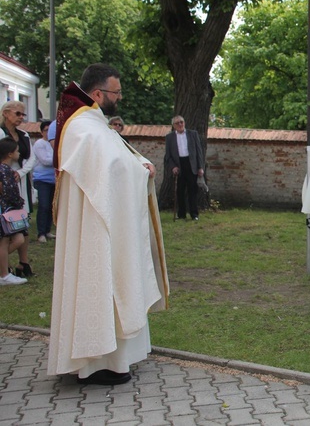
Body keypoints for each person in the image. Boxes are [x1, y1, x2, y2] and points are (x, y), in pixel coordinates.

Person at [47, 63, 169, 385]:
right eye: (116, 92)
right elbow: (111, 168)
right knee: (101, 280)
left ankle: (114, 359)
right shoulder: (83, 127)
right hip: (94, 226)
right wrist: (141, 171)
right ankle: (98, 363)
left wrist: (138, 163)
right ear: (99, 94)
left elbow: (117, 156)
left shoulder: (93, 123)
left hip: (101, 221)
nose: (120, 97)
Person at [0, 101, 35, 276]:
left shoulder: (24, 135)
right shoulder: (0, 133)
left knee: (22, 222)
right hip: (2, 183)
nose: (21, 118)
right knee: (5, 229)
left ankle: (24, 263)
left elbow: (31, 158)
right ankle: (3, 266)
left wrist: (20, 173)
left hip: (20, 183)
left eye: (23, 115)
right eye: (17, 114)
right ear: (6, 113)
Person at [164, 115, 205, 221]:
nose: (180, 124)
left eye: (181, 122)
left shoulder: (193, 134)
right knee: (180, 191)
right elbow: (168, 156)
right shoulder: (169, 137)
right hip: (179, 165)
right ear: (174, 125)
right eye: (177, 123)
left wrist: (200, 167)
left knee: (193, 190)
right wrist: (173, 167)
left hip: (191, 164)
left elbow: (199, 152)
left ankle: (194, 214)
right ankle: (181, 214)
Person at [0, 137, 28, 286]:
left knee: (18, 239)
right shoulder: (4, 170)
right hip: (5, 211)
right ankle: (4, 275)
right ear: (10, 154)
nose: (19, 153)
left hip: (9, 210)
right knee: (4, 242)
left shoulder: (8, 170)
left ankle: (3, 270)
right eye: (17, 151)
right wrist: (17, 203)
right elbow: (7, 191)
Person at [32, 120, 56, 243]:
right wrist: (58, 158)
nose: (48, 133)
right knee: (43, 205)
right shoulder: (39, 144)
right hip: (42, 179)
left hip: (53, 179)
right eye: (46, 130)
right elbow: (45, 161)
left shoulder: (55, 144)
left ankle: (47, 230)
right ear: (42, 132)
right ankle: (41, 233)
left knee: (52, 206)